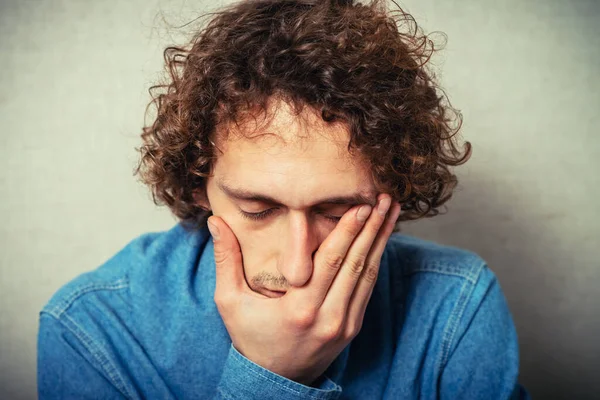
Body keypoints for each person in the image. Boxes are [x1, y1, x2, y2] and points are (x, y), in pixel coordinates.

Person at [37, 0, 530, 398]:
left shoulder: (457, 305)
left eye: (336, 212)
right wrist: (270, 378)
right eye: (258, 209)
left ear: (392, 191)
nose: (298, 268)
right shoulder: (93, 329)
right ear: (197, 183)